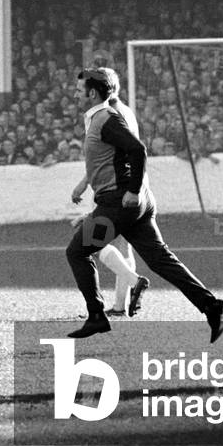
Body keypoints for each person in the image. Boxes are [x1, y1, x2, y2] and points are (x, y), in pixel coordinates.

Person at [65, 67, 223, 342]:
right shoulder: (98, 118)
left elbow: (137, 149)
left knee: (77, 252)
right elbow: (109, 159)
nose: (75, 93)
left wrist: (132, 190)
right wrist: (89, 187)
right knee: (159, 259)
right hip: (129, 204)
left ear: (92, 93)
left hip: (120, 204)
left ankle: (96, 316)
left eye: (79, 90)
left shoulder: (106, 118)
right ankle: (211, 306)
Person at [70, 71, 150, 318]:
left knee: (89, 243)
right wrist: (85, 182)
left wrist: (129, 190)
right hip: (127, 190)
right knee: (120, 247)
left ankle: (134, 283)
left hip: (119, 191)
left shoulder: (110, 115)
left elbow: (128, 152)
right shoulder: (118, 111)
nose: (78, 93)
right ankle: (120, 305)